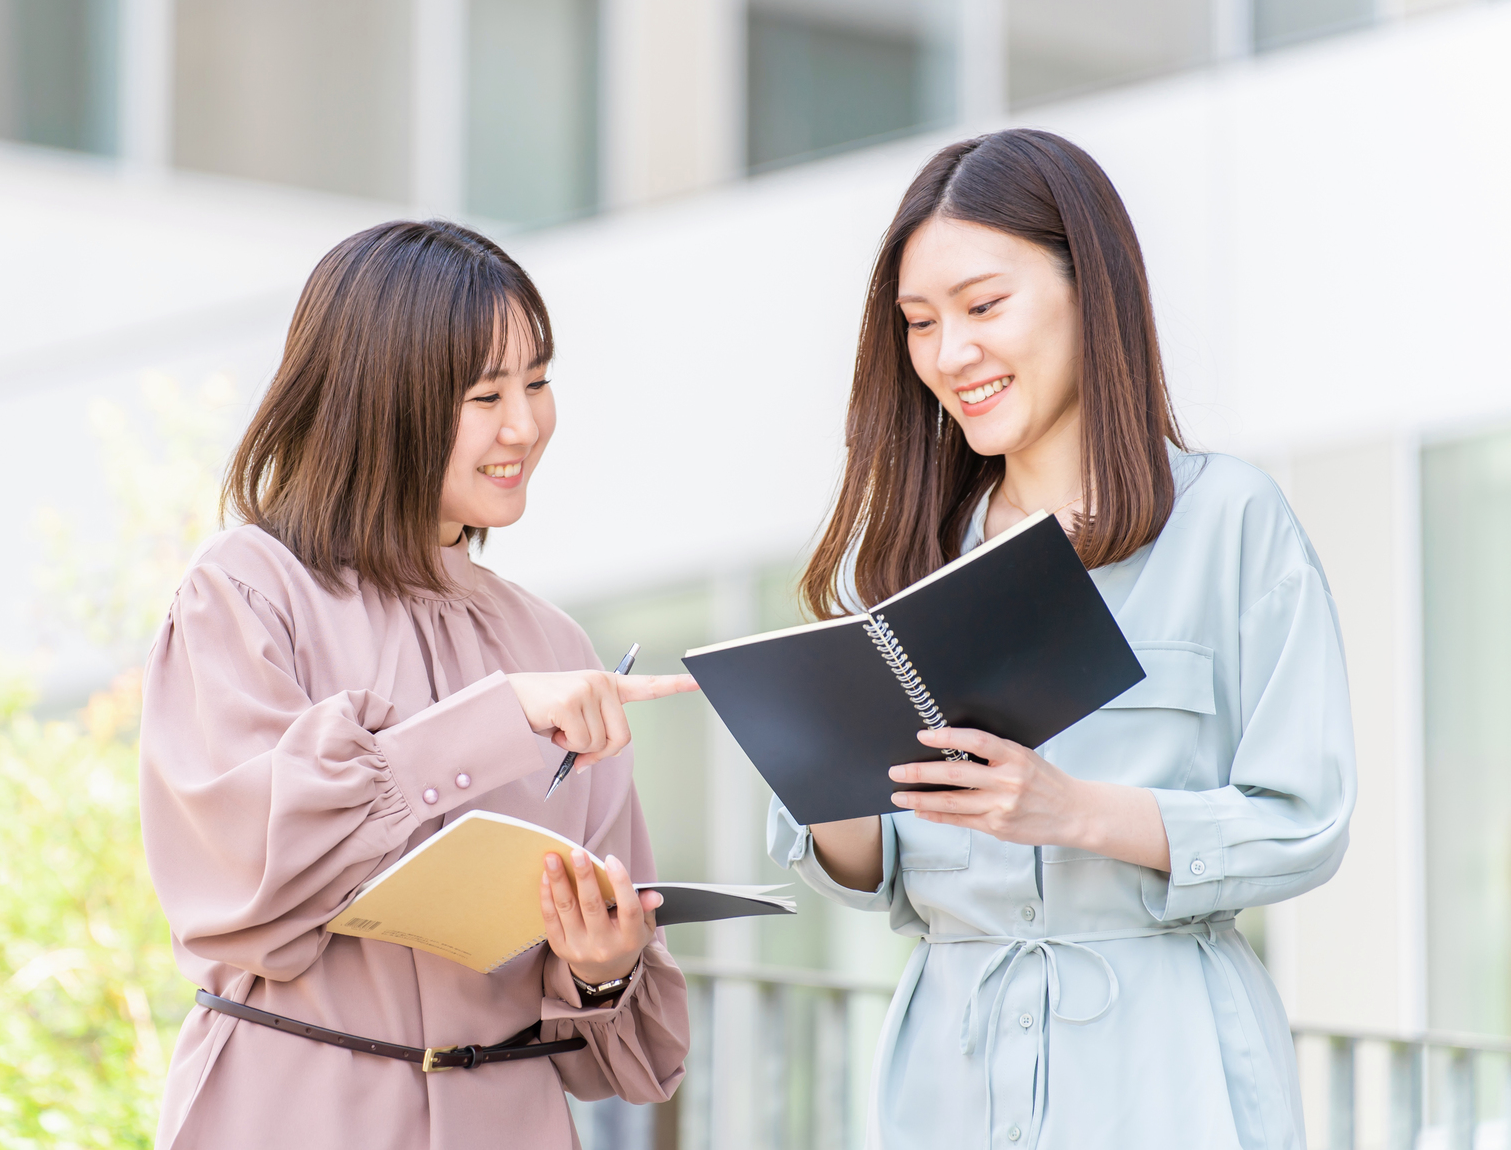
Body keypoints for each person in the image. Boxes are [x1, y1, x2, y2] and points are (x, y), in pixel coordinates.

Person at [769, 130, 1355, 1148]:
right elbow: (865, 870)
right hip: (948, 1066)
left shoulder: (1229, 524)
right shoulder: (906, 558)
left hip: (1166, 1062)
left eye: (982, 306)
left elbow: (1302, 820)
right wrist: (820, 764)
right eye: (918, 323)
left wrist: (1074, 811)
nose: (949, 355)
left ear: (1090, 290)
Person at [140, 220, 694, 1150]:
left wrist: (604, 965)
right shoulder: (245, 590)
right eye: (486, 394)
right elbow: (240, 881)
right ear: (380, 400)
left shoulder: (552, 639)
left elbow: (626, 1060)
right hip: (292, 1115)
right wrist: (499, 720)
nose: (524, 423)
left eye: (538, 381)